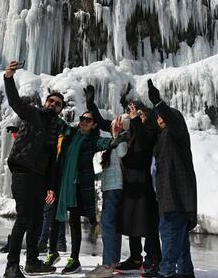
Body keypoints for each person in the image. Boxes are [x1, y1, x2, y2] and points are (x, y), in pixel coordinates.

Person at [3, 61, 65, 278]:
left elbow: (51, 160)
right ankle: (11, 266)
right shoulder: (33, 114)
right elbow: (14, 102)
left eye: (57, 104)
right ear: (46, 102)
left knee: (37, 221)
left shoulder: (55, 128)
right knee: (23, 219)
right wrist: (9, 78)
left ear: (60, 110)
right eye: (51, 101)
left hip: (39, 177)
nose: (53, 105)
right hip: (22, 171)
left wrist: (51, 187)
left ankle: (32, 262)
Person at [45, 110, 127, 275]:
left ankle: (74, 259)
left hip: (78, 186)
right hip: (62, 183)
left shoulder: (91, 141)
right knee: (54, 219)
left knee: (74, 221)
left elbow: (106, 143)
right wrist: (48, 109)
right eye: (82, 118)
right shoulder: (70, 132)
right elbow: (57, 121)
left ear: (94, 125)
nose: (83, 121)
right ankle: (52, 252)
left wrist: (117, 137)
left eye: (88, 120)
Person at [147, 79, 197, 278]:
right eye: (157, 117)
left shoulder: (176, 132)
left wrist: (158, 102)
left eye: (163, 116)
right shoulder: (162, 138)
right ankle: (186, 273)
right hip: (172, 199)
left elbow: (172, 118)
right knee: (181, 241)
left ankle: (166, 272)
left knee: (169, 236)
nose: (160, 118)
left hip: (175, 197)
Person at [116, 102, 162, 276]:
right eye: (135, 113)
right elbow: (126, 157)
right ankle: (135, 258)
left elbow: (143, 144)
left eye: (141, 114)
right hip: (131, 183)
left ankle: (155, 258)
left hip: (145, 184)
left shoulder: (150, 131)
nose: (136, 115)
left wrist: (136, 120)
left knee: (148, 224)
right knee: (131, 222)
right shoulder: (133, 134)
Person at [86, 116, 128, 278]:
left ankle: (108, 264)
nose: (111, 127)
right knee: (112, 225)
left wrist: (118, 134)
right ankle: (113, 261)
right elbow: (110, 168)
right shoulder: (115, 141)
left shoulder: (122, 139)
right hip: (111, 187)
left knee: (107, 224)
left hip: (115, 188)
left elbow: (123, 153)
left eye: (115, 125)